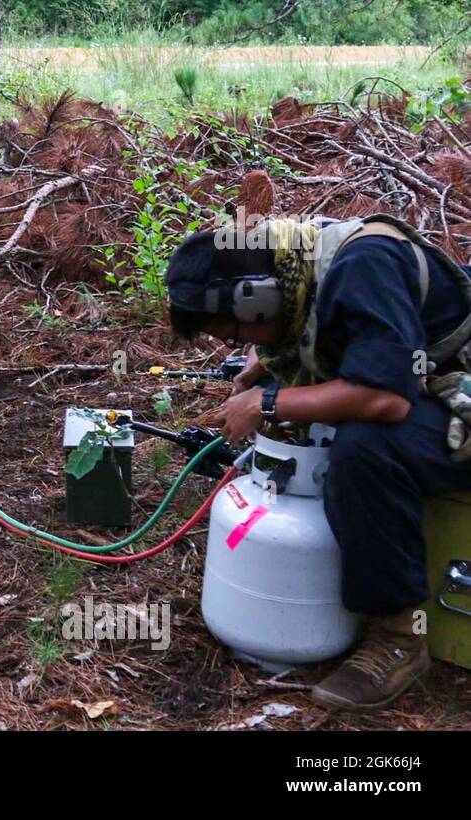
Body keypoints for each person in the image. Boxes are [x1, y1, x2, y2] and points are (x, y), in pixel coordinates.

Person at [165, 215, 471, 711]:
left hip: (456, 388)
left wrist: (269, 403)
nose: (242, 344)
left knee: (367, 449)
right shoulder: (294, 262)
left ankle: (398, 637)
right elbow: (333, 326)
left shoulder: (362, 264)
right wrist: (264, 363)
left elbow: (386, 399)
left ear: (258, 298)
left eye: (234, 332)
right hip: (427, 375)